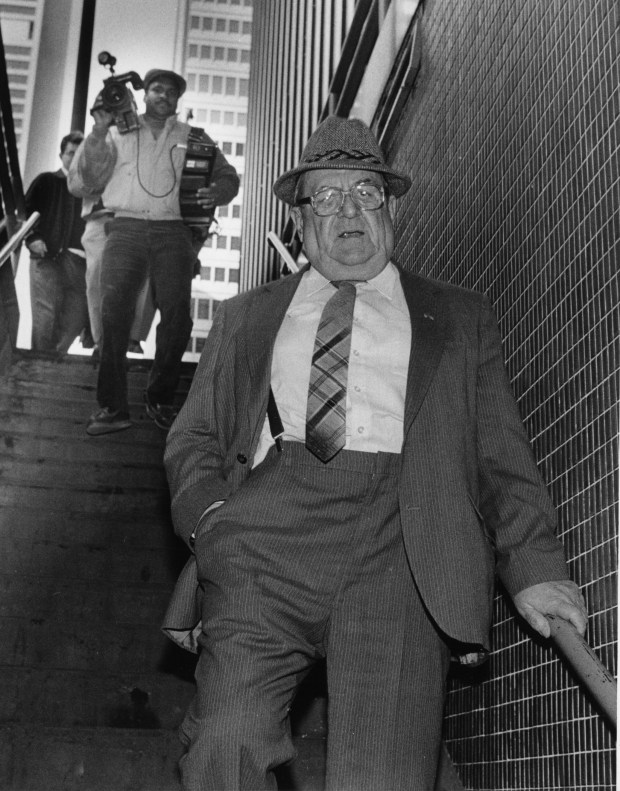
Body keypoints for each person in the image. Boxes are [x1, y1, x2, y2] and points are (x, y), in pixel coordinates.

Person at [162, 116, 588, 791]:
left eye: (364, 191)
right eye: (326, 197)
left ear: (390, 209)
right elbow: (192, 436)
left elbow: (499, 457)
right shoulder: (247, 316)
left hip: (403, 546)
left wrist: (534, 566)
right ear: (300, 220)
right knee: (225, 739)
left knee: (382, 775)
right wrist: (212, 515)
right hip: (263, 542)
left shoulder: (459, 316)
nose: (347, 210)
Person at [68, 68, 239, 435]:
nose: (164, 94)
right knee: (113, 313)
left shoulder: (193, 136)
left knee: (178, 317)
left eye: (171, 91)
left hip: (172, 231)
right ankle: (112, 408)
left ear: (177, 99)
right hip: (125, 228)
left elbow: (228, 175)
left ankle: (160, 398)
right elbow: (84, 181)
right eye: (157, 88)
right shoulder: (117, 131)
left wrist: (219, 191)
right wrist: (98, 130)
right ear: (145, 94)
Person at [24, 131, 89, 353]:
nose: (75, 158)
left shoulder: (91, 190)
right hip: (48, 257)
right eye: (71, 153)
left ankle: (53, 360)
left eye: (80, 153)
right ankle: (41, 367)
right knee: (46, 316)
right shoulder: (47, 181)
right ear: (61, 155)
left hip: (80, 263)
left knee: (76, 317)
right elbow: (25, 212)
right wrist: (33, 238)